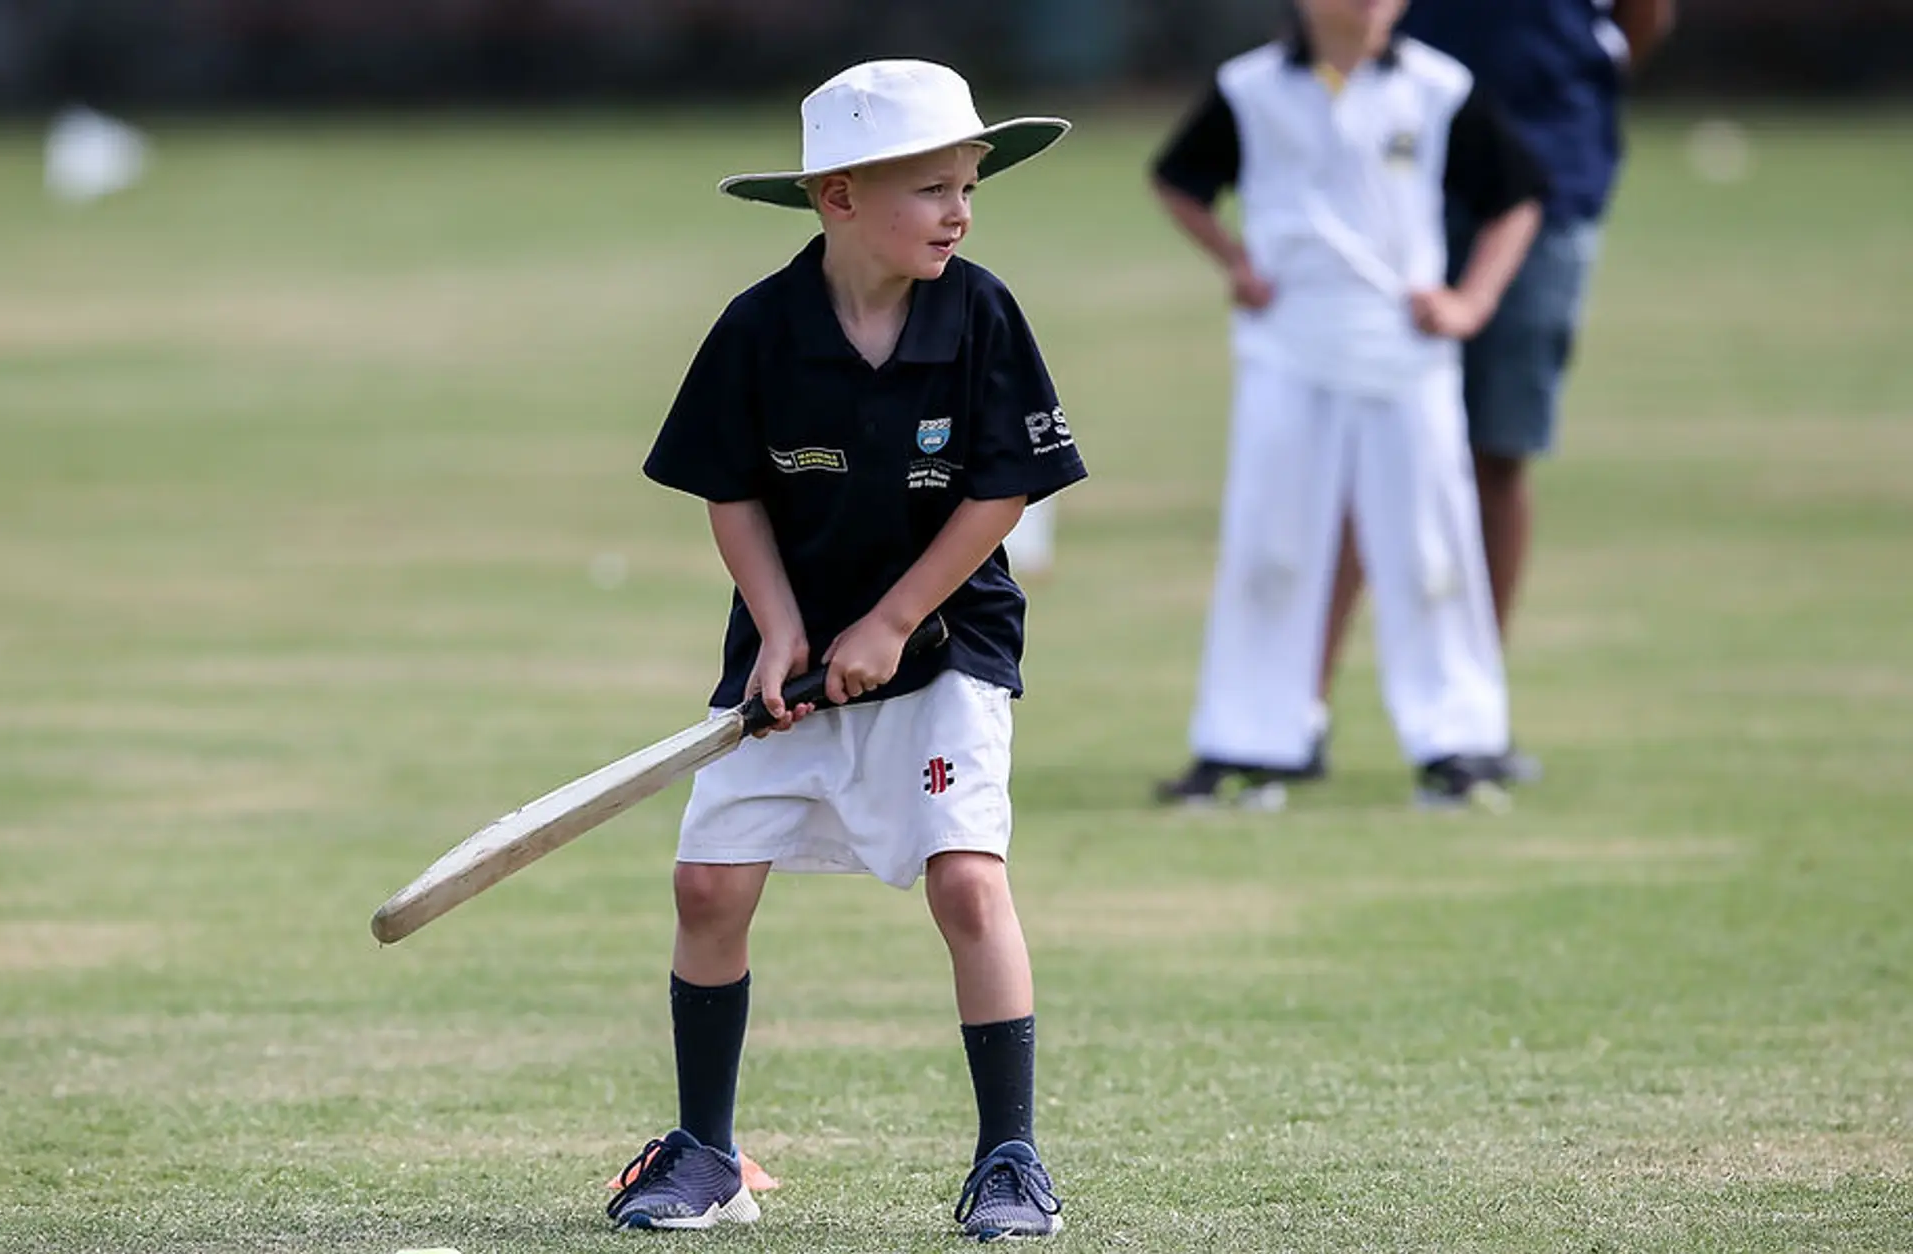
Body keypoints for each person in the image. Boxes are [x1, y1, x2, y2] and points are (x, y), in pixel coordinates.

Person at [610, 60, 1085, 1239]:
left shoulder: (978, 311)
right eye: (930, 188)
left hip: (948, 644)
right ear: (837, 197)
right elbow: (728, 493)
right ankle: (705, 1152)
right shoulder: (758, 329)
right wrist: (780, 630)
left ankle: (1009, 1162)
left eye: (967, 185)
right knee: (707, 885)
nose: (959, 211)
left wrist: (886, 623)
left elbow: (1002, 493)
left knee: (967, 881)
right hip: (789, 656)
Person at [1149, 0, 1546, 809]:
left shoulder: (1438, 88)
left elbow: (1518, 198)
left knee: (1433, 549)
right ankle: (1251, 741)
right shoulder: (1251, 87)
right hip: (1288, 348)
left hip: (1405, 353)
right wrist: (1235, 262)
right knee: (1271, 546)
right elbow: (1178, 180)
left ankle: (1458, 743)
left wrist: (1470, 303)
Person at [1316, 0, 1679, 780]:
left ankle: (1471, 721)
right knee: (1350, 449)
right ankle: (1290, 713)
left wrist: (1587, 62)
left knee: (1498, 449)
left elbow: (1643, 14)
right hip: (1390, 169)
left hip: (1548, 160)